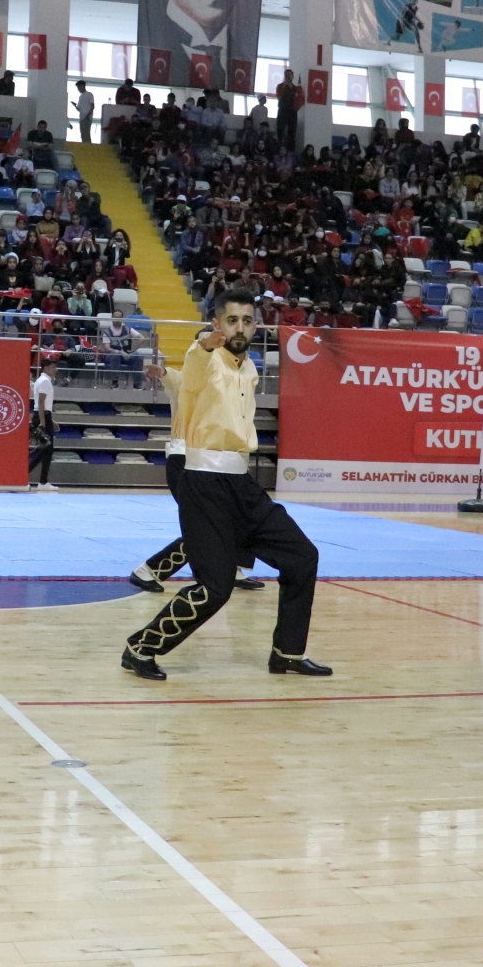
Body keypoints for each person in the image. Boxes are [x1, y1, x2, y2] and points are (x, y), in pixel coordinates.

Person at [120, 286, 328, 681]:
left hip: (241, 484)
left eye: (247, 321)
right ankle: (140, 648)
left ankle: (287, 652)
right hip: (203, 482)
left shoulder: (248, 368)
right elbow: (195, 365)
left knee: (302, 557)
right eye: (232, 320)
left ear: (255, 326)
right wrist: (204, 343)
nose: (240, 327)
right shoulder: (206, 359)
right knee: (216, 588)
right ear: (217, 324)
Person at [128, 355, 262, 595]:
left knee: (242, 514)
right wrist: (161, 372)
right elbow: (173, 378)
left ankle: (234, 568)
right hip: (186, 461)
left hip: (218, 464)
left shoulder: (227, 390)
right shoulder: (190, 381)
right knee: (205, 526)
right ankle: (148, 570)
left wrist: (241, 461)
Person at [29, 356, 57, 491]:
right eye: (53, 367)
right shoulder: (45, 381)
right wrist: (43, 421)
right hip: (42, 416)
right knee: (47, 449)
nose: (55, 370)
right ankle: (42, 481)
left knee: (45, 449)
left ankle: (41, 480)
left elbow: (42, 404)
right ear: (46, 368)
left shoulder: (40, 380)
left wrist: (50, 420)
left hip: (44, 415)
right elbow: (41, 403)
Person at [74, 80, 96, 145]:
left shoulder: (89, 94)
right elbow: (79, 109)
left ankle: (89, 147)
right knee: (83, 135)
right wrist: (75, 106)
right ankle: (84, 146)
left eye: (78, 87)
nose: (78, 89)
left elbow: (92, 106)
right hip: (82, 117)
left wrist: (88, 115)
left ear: (83, 86)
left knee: (87, 134)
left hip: (87, 117)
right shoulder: (80, 97)